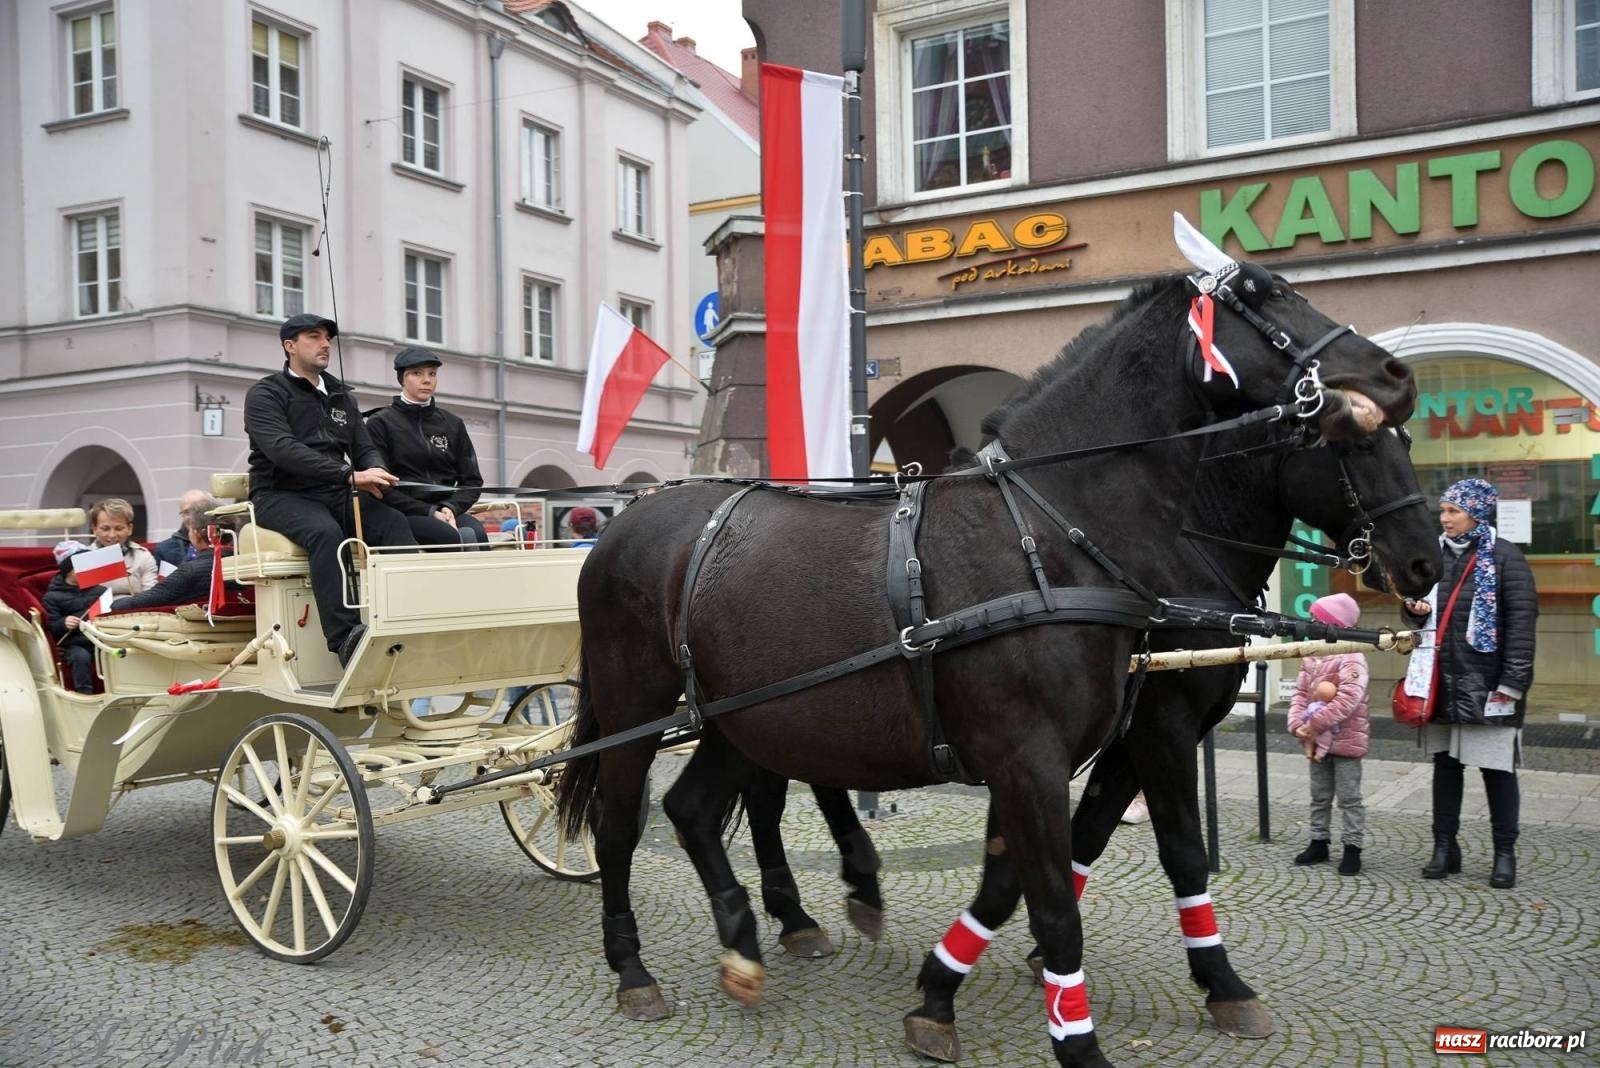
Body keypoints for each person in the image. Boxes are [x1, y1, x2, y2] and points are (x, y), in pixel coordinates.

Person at [244, 313, 416, 667]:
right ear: (290, 346)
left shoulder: (341, 395)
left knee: (393, 522)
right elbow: (282, 449)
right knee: (326, 533)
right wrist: (349, 475)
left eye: (328, 338)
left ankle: (406, 621)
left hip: (334, 490)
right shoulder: (266, 393)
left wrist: (376, 470)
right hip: (279, 494)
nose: (325, 344)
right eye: (314, 337)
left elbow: (363, 446)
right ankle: (346, 641)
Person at [1402, 478, 1537, 889]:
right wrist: (1414, 609)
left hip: (1489, 684)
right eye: (1441, 511)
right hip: (1442, 680)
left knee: (1497, 772)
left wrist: (1513, 683)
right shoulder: (1431, 557)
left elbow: (1521, 625)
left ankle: (1504, 853)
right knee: (1446, 767)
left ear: (1476, 513)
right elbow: (1415, 615)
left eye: (1452, 512)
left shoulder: (1506, 558)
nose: (1443, 519)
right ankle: (1445, 847)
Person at [363, 348, 488, 549]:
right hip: (404, 511)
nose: (427, 380)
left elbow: (472, 480)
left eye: (432, 373)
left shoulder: (452, 423)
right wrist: (429, 511)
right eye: (417, 373)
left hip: (448, 509)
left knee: (476, 535)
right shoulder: (380, 423)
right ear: (401, 379)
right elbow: (380, 485)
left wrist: (451, 507)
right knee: (448, 537)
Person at [1289, 593, 1371, 876]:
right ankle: (1318, 841)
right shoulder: (1313, 655)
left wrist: (1316, 723)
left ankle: (1353, 847)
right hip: (1316, 740)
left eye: (1317, 619)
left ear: (1333, 624)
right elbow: (1301, 693)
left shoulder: (1352, 656)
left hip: (1346, 740)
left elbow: (1349, 698)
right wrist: (1298, 723)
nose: (1312, 624)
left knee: (1349, 797)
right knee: (1319, 795)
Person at [111, 498, 238, 611]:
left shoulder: (192, 569)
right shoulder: (243, 562)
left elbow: (151, 599)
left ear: (196, 533)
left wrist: (114, 604)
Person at [44, 545, 108, 694]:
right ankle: (84, 693)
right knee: (80, 657)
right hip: (73, 643)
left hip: (100, 639)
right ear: (69, 570)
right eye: (82, 567)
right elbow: (51, 625)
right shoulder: (52, 596)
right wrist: (63, 623)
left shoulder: (101, 591)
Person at [87, 498, 159, 596]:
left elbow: (151, 595)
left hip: (133, 608)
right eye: (105, 529)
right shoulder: (84, 557)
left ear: (130, 529)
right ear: (94, 529)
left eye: (119, 528)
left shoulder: (143, 556)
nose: (112, 535)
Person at [152, 489, 209, 568]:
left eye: (198, 510)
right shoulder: (164, 550)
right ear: (181, 514)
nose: (193, 516)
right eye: (187, 512)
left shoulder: (223, 543)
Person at [1298, 680, 1339, 761]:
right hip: (1326, 732)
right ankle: (1319, 756)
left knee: (1308, 741)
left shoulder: (1312, 706)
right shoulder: (1330, 709)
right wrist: (1335, 731)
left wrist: (1303, 721)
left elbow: (1305, 715)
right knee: (1325, 745)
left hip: (1310, 727)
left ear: (1316, 694)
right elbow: (1334, 722)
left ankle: (1309, 753)